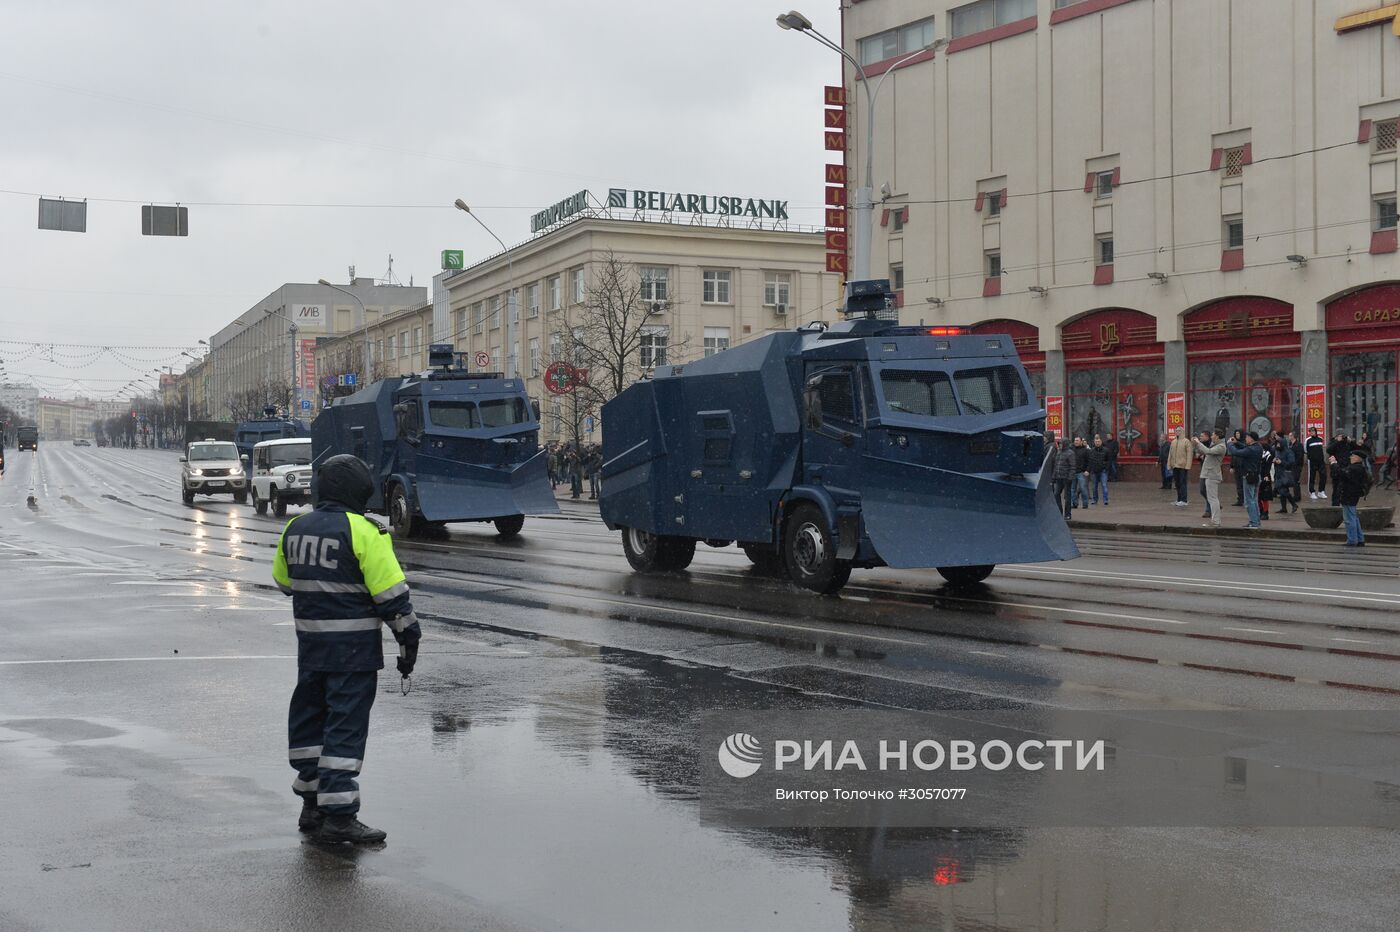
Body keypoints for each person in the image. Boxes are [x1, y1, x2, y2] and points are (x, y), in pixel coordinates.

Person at [272, 454, 422, 845]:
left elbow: (284, 581)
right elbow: (392, 598)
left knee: (310, 724)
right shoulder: (364, 532)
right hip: (353, 654)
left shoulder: (295, 527)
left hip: (311, 650)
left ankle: (312, 805)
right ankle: (339, 815)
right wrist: (409, 639)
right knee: (344, 729)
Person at [1332, 447, 1370, 547]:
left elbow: (1342, 474)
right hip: (1352, 495)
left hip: (1349, 495)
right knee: (1354, 517)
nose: (1351, 457)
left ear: (1358, 458)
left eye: (1353, 456)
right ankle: (1360, 539)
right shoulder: (1359, 468)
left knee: (1349, 519)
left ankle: (1352, 540)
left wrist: (1334, 464)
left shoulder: (1355, 468)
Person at [1228, 431, 1263, 528]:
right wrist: (1237, 443)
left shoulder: (1251, 450)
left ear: (1251, 439)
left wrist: (1230, 444)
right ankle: (1256, 520)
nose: (1246, 439)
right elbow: (1245, 447)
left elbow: (1236, 452)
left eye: (1247, 437)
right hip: (1256, 475)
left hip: (1248, 476)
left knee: (1249, 501)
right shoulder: (1258, 447)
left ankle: (1254, 522)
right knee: (1254, 500)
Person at [1193, 430, 1225, 527]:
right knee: (1212, 498)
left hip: (1212, 474)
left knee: (1213, 498)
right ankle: (1215, 520)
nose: (1211, 436)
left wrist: (1199, 443)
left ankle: (1215, 521)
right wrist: (1197, 445)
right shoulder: (1215, 444)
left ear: (1218, 436)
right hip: (1208, 473)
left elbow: (1208, 451)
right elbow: (1204, 451)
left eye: (1213, 435)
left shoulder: (1221, 446)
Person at [1048, 433, 1075, 520]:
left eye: (1061, 443)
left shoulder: (1070, 453)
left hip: (1066, 478)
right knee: (1056, 494)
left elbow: (1072, 466)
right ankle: (1060, 512)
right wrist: (1053, 478)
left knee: (1067, 497)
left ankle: (1068, 514)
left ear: (1065, 444)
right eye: (1059, 443)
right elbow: (1056, 466)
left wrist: (1070, 477)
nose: (1060, 445)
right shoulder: (1059, 452)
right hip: (1059, 477)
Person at [1168, 427, 1193, 506]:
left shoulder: (1186, 442)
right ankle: (1179, 499)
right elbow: (1170, 454)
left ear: (1182, 431)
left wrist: (1188, 465)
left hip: (1183, 466)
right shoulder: (1173, 442)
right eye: (1176, 431)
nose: (1177, 432)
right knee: (1177, 483)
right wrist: (1169, 464)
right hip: (1175, 466)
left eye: (1178, 431)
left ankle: (1184, 500)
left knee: (1183, 483)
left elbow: (1189, 454)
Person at [1304, 427, 1328, 499]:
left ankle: (1321, 491)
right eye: (1310, 431)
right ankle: (1312, 492)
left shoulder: (1320, 439)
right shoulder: (1307, 440)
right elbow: (1305, 450)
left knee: (1324, 476)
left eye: (1313, 431)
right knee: (1312, 477)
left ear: (1316, 432)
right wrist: (1311, 456)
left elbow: (1322, 448)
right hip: (1312, 461)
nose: (1312, 432)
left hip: (1321, 461)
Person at [1087, 435, 1109, 505]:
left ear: (1101, 442)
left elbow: (1108, 461)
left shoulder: (1106, 450)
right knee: (1094, 487)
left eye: (1098, 441)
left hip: (1103, 471)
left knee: (1104, 485)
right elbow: (1090, 461)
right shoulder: (1091, 451)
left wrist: (1106, 468)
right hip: (1094, 471)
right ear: (1094, 442)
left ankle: (1105, 500)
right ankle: (1095, 500)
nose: (1097, 443)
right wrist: (1089, 470)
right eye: (1096, 441)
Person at [1071, 436, 1091, 509]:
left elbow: (1089, 461)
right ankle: (1074, 503)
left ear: (1081, 442)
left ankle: (1085, 504)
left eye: (1077, 440)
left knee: (1083, 488)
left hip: (1081, 472)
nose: (1076, 442)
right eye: (1075, 440)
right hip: (1073, 472)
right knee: (1072, 489)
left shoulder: (1086, 450)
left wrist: (1087, 470)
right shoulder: (1071, 450)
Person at [1229, 429, 1246, 505]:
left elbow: (1245, 448)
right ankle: (1240, 499)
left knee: (1244, 484)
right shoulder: (1234, 444)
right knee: (1238, 484)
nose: (1237, 435)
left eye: (1238, 433)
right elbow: (1233, 456)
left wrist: (1237, 442)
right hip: (1237, 466)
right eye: (1236, 433)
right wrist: (1232, 466)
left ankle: (1245, 499)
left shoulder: (1244, 442)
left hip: (1244, 466)